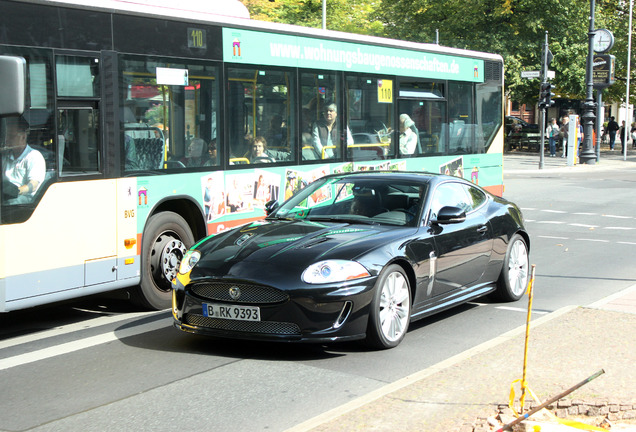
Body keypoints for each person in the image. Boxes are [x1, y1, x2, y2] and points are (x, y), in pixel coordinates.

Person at [1, 116, 46, 203]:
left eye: (11, 136)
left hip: (25, 199)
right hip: (6, 194)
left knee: (8, 203)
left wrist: (17, 191)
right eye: (6, 136)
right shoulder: (6, 156)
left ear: (23, 137)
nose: (7, 140)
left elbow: (33, 184)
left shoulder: (33, 156)